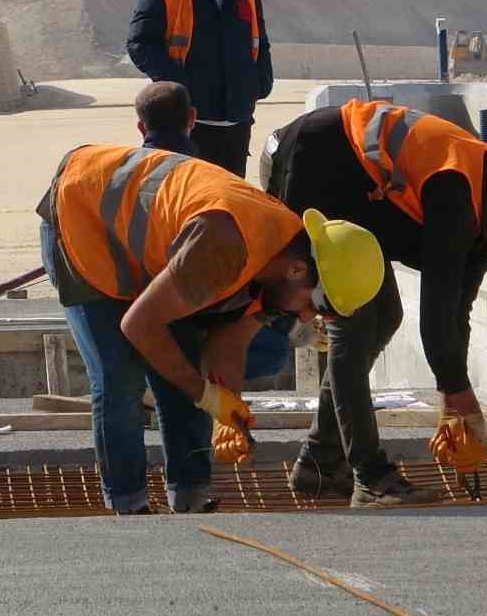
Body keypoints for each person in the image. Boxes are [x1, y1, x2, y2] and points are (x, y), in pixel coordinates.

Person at [259, 99, 487, 507]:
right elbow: (434, 315)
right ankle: (370, 477)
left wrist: (457, 397)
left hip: (355, 185)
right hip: (315, 162)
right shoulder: (457, 194)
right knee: (356, 324)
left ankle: (320, 463)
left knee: (385, 316)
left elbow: (457, 312)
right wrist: (456, 393)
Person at [36, 142, 384, 514]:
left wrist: (225, 409)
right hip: (83, 217)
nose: (304, 319)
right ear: (298, 270)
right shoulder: (224, 245)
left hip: (156, 248)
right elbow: (138, 324)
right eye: (316, 306)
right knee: (119, 376)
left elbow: (230, 342)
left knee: (180, 365)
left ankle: (189, 496)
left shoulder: (280, 259)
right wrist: (205, 395)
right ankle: (128, 505)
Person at [132, 80, 300, 385]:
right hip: (176, 295)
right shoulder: (201, 174)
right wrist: (201, 392)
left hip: (138, 285)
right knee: (271, 350)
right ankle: (169, 378)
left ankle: (167, 379)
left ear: (142, 129)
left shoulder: (132, 174)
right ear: (193, 118)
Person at [127, 0, 271, 177]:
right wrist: (180, 87)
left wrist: (261, 83)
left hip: (236, 124)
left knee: (228, 204)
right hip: (186, 125)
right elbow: (139, 44)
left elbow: (260, 43)